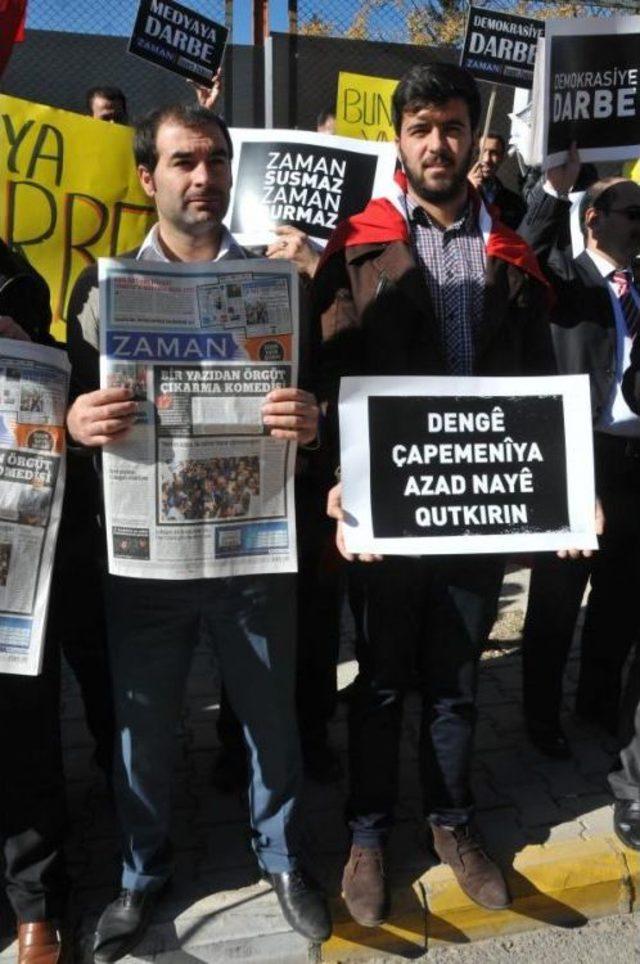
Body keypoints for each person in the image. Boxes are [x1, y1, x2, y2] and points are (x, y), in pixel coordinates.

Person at [65, 104, 331, 961]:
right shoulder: (96, 289)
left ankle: (284, 858)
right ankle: (142, 871)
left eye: (216, 159)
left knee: (270, 718)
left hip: (255, 550)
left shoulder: (276, 284)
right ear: (148, 177)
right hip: (144, 559)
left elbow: (316, 401)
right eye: (183, 161)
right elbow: (58, 397)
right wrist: (73, 418)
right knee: (142, 729)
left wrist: (311, 418)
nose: (204, 177)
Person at [313, 62, 556, 927]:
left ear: (472, 137)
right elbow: (332, 369)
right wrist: (342, 480)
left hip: (477, 507)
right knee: (380, 682)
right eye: (420, 127)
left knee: (454, 680)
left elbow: (541, 380)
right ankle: (370, 834)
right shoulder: (359, 248)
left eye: (451, 125)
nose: (437, 143)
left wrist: (558, 491)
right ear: (399, 142)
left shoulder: (512, 251)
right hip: (389, 509)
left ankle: (453, 824)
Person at [520, 150, 640, 759]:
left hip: (633, 459)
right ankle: (540, 717)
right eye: (632, 212)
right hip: (579, 453)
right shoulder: (566, 283)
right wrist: (551, 190)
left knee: (621, 595)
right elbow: (520, 256)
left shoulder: (639, 285)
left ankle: (595, 702)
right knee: (558, 599)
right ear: (595, 218)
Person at [0, 241, 68, 964]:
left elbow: (49, 362)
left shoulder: (10, 267)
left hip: (10, 541)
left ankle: (36, 900)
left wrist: (25, 342)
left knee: (21, 722)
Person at [467, 131, 525, 230]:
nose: (486, 159)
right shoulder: (454, 194)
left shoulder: (515, 203)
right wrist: (467, 191)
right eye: (481, 152)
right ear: (473, 154)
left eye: (493, 153)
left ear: (501, 158)